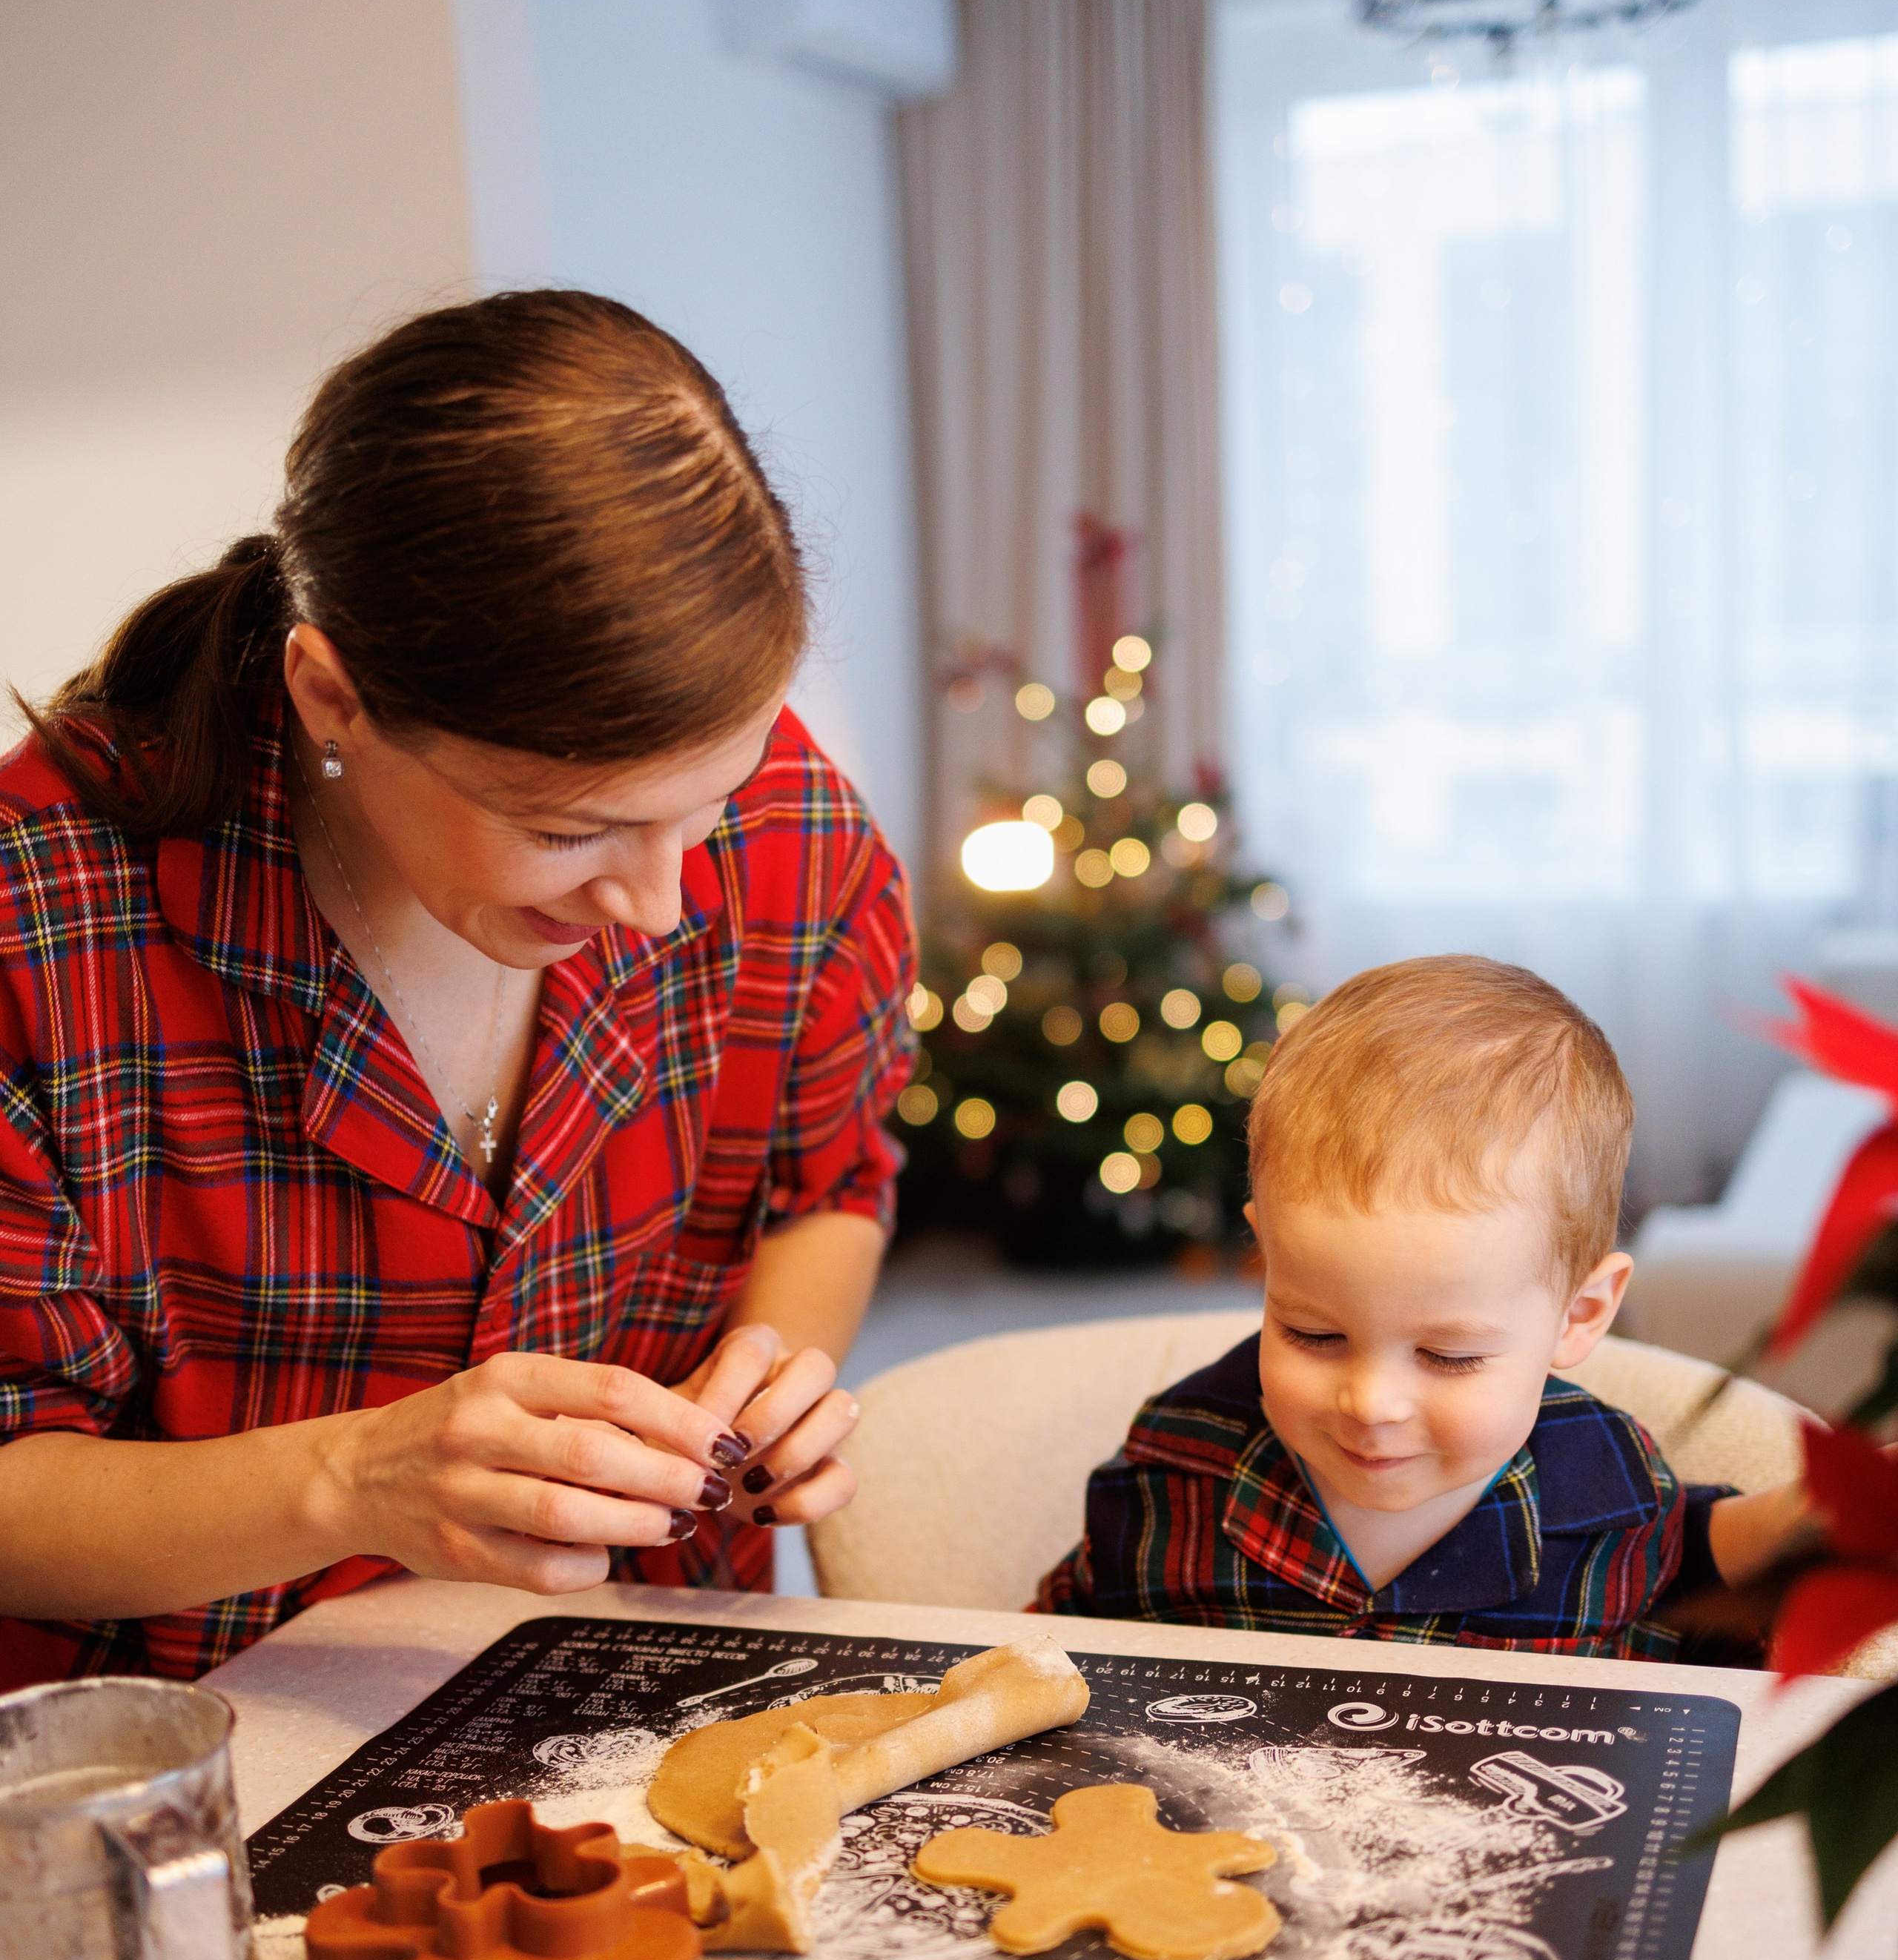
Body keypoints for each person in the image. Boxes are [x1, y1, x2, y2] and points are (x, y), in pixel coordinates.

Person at [0, 289, 915, 1686]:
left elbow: (823, 1188)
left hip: (645, 1683)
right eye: (564, 831)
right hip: (196, 1740)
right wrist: (354, 1481)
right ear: (331, 696)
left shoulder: (798, 834)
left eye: (707, 802)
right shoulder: (42, 920)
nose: (659, 904)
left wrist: (767, 1381)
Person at [1036, 956, 1805, 1658]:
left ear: (1578, 1315)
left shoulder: (1604, 1486)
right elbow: (1049, 1658)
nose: (1370, 1403)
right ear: (1265, 1256)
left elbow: (1698, 1598)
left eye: (1448, 1355)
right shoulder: (1174, 1463)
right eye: (1313, 1333)